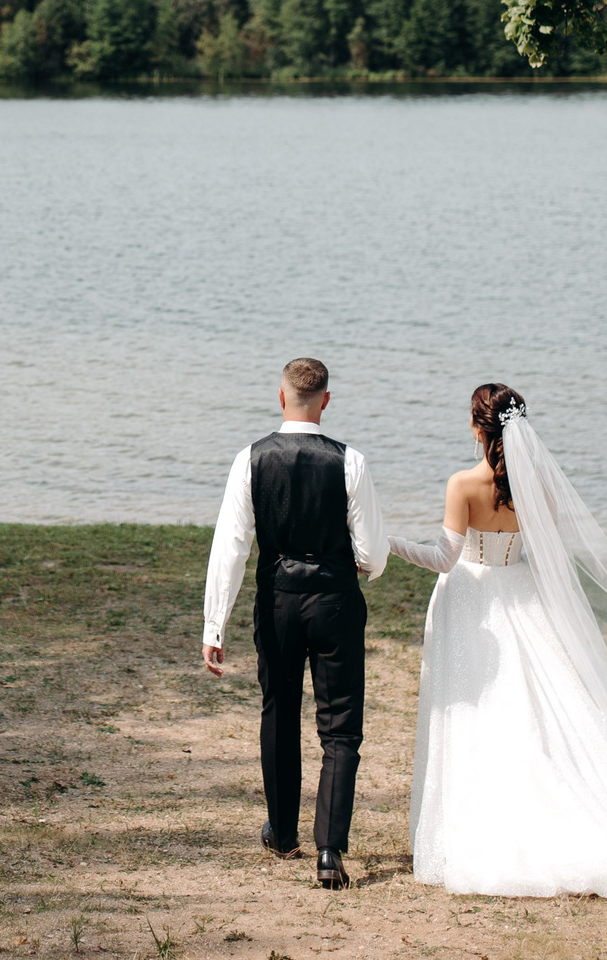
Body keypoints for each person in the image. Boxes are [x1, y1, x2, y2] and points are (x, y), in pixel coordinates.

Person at [388, 384, 607, 898]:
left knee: (477, 706)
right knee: (541, 701)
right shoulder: (538, 485)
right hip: (523, 594)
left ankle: (492, 813)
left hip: (471, 598)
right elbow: (544, 553)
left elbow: (444, 559)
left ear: (477, 427)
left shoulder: (463, 484)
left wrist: (388, 543)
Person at [201, 357, 387, 890]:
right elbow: (372, 554)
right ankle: (329, 851)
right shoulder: (350, 461)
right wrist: (361, 565)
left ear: (281, 397)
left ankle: (282, 834)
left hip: (278, 602)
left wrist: (215, 624)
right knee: (340, 727)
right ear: (326, 400)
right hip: (335, 604)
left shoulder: (250, 459)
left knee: (280, 713)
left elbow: (231, 548)